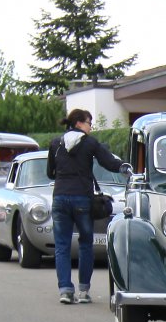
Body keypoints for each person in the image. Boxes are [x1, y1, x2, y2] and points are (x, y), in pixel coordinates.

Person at [49, 109, 127, 304]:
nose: (90, 127)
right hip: (82, 198)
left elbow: (50, 172)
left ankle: (65, 291)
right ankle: (84, 291)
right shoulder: (90, 143)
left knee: (62, 246)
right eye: (89, 123)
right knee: (85, 244)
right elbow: (108, 162)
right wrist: (124, 167)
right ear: (78, 123)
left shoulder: (56, 143)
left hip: (60, 197)